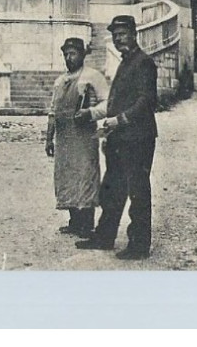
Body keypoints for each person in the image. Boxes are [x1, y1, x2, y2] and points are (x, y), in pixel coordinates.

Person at [76, 13, 158, 260]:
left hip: (138, 138)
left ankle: (139, 245)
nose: (119, 39)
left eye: (123, 34)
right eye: (115, 35)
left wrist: (119, 120)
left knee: (138, 192)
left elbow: (147, 101)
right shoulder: (125, 62)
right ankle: (104, 236)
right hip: (119, 137)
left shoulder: (144, 63)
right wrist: (110, 128)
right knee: (113, 188)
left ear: (134, 34)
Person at [45, 38, 108, 237]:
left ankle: (87, 223)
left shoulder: (92, 77)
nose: (69, 58)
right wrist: (49, 138)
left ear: (82, 54)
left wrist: (90, 113)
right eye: (66, 54)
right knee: (67, 176)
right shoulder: (60, 81)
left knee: (85, 175)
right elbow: (53, 111)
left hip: (84, 136)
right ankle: (74, 221)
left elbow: (108, 103)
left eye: (73, 54)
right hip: (64, 138)